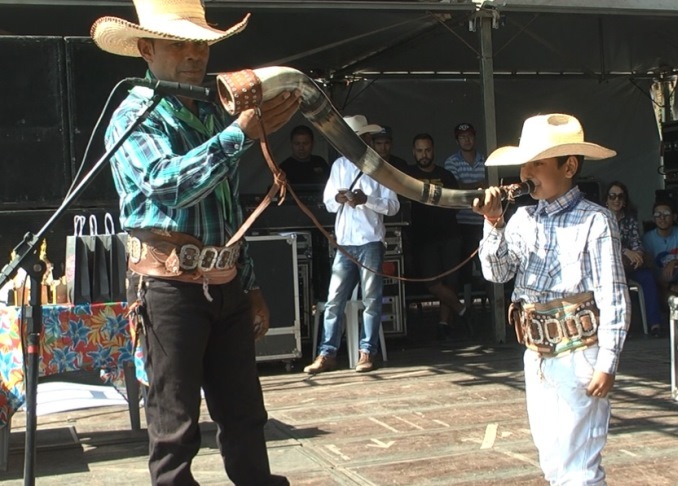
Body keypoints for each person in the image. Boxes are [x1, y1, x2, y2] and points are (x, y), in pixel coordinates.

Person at [92, 1, 300, 484]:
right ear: (146, 49)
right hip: (169, 289)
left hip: (222, 282)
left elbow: (227, 215)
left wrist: (249, 288)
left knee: (245, 415)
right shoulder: (133, 114)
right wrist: (238, 136)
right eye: (179, 44)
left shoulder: (209, 112)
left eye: (200, 45)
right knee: (174, 425)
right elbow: (168, 183)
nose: (194, 56)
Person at [472, 114, 629, 484]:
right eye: (525, 163)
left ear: (569, 166)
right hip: (537, 353)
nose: (526, 171)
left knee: (579, 464)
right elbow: (497, 273)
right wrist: (493, 223)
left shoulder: (597, 220)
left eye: (537, 163)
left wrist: (608, 360)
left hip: (580, 354)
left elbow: (613, 294)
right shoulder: (523, 218)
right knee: (553, 459)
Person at [304, 115, 400, 374]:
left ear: (367, 139)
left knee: (371, 299)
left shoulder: (380, 167)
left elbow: (393, 206)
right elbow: (328, 202)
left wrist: (365, 199)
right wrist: (338, 198)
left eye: (359, 139)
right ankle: (327, 354)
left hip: (370, 241)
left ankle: (366, 351)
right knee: (334, 299)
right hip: (345, 243)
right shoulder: (338, 166)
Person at [404, 133, 469, 339]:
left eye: (428, 150)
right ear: (414, 152)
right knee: (432, 283)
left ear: (433, 150)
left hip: (450, 234)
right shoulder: (407, 175)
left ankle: (444, 325)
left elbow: (458, 203)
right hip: (423, 237)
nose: (424, 154)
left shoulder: (446, 174)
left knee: (451, 281)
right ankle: (462, 310)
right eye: (420, 150)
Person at [603, 181, 664, 337]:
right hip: (608, 268)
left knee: (648, 279)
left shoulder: (630, 218)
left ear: (624, 200)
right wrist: (625, 251)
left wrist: (637, 254)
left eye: (620, 196)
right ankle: (622, 326)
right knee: (617, 282)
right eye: (612, 196)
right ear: (606, 199)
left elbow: (636, 240)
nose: (616, 200)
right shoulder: (600, 217)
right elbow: (604, 243)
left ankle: (655, 325)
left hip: (629, 265)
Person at [444, 122, 488, 307]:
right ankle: (467, 308)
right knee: (465, 271)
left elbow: (491, 184)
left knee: (487, 266)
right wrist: (479, 187)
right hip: (461, 223)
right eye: (462, 137)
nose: (467, 139)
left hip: (483, 221)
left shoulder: (485, 159)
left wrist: (467, 188)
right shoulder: (451, 162)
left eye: (469, 135)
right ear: (457, 140)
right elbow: (455, 189)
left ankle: (492, 306)